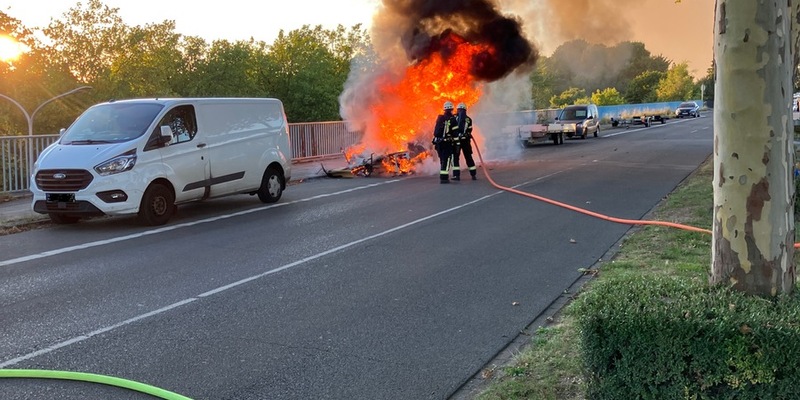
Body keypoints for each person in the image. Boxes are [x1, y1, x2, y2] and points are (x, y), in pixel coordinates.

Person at [432, 101, 460, 184]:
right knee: (447, 160)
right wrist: (457, 144)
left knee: (442, 159)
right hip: (447, 143)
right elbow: (455, 133)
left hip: (438, 143)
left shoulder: (440, 118)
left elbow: (436, 132)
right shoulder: (453, 119)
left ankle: (443, 175)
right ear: (451, 109)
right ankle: (444, 178)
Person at [453, 102, 477, 180]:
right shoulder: (469, 119)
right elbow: (470, 130)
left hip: (457, 142)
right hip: (466, 142)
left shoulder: (454, 118)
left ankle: (456, 175)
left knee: (456, 157)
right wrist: (466, 134)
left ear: (458, 110)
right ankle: (473, 174)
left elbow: (452, 129)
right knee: (468, 157)